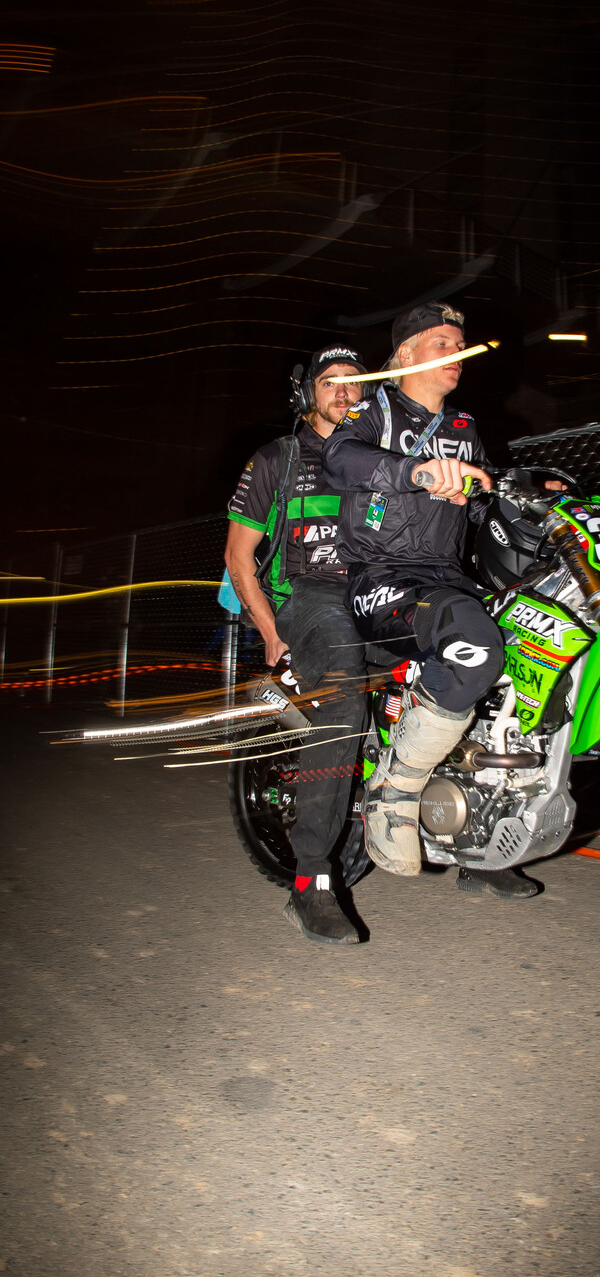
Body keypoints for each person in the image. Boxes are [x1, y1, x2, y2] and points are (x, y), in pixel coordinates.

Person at [322, 301, 541, 899]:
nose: (457, 353)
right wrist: (416, 471)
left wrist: (515, 491)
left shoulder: (463, 428)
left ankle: (484, 836)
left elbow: (482, 495)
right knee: (474, 647)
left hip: (447, 578)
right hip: (381, 579)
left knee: (532, 646)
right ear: (406, 353)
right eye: (442, 342)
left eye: (460, 344)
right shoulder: (372, 409)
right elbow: (339, 458)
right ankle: (393, 790)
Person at [224, 346, 369, 944]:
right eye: (329, 382)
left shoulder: (386, 456)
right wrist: (269, 630)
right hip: (307, 597)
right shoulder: (277, 459)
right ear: (307, 393)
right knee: (344, 693)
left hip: (379, 594)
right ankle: (310, 879)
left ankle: (482, 841)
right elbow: (238, 557)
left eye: (354, 381)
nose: (343, 391)